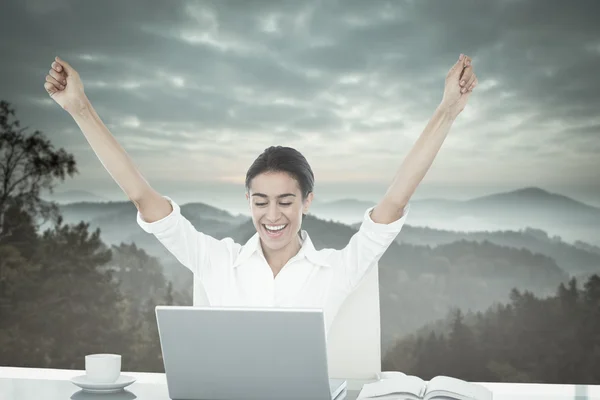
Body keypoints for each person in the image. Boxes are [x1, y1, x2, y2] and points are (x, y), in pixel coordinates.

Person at [44, 53, 478, 332]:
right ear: (248, 202)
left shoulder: (336, 269)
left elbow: (395, 200)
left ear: (308, 201)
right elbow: (143, 197)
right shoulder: (217, 261)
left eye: (287, 201)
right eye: (261, 201)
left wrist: (446, 112)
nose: (274, 215)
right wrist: (80, 108)